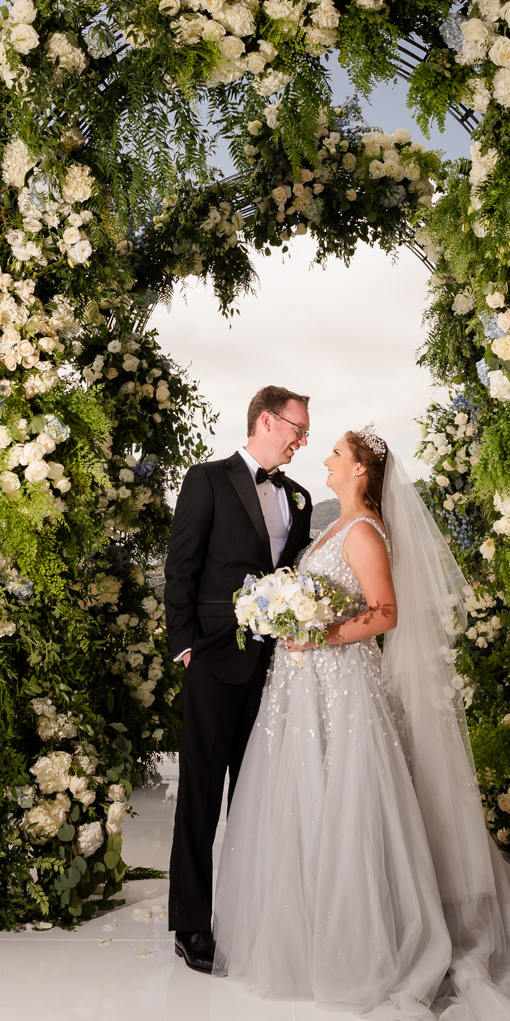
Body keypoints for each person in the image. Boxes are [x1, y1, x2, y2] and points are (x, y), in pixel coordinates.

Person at [211, 427, 510, 1021]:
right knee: (309, 801)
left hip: (345, 687)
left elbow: (385, 611)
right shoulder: (330, 526)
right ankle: (309, 935)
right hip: (307, 689)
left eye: (337, 455)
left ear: (359, 473)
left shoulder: (365, 532)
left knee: (351, 802)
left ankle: (370, 942)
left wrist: (317, 633)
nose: (325, 458)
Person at [162, 385, 315, 974]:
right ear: (266, 421)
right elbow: (182, 567)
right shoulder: (207, 479)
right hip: (213, 660)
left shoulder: (298, 499)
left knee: (255, 799)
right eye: (297, 428)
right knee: (200, 797)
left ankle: (251, 917)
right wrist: (184, 648)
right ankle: (191, 923)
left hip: (273, 671)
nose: (303, 439)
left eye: (305, 431)